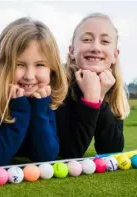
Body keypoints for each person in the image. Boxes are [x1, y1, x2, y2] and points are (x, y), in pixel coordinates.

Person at [0, 17, 67, 167]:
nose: (29, 76)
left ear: (52, 69)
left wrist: (40, 112)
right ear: (1, 63)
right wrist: (19, 111)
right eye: (19, 64)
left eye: (40, 65)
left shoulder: (40, 96)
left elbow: (47, 155)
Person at [56, 13, 130, 158]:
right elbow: (69, 153)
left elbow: (112, 149)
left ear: (115, 55)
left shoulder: (110, 85)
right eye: (87, 39)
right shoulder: (58, 85)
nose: (96, 47)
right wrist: (91, 100)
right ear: (72, 51)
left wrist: (100, 98)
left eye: (105, 42)